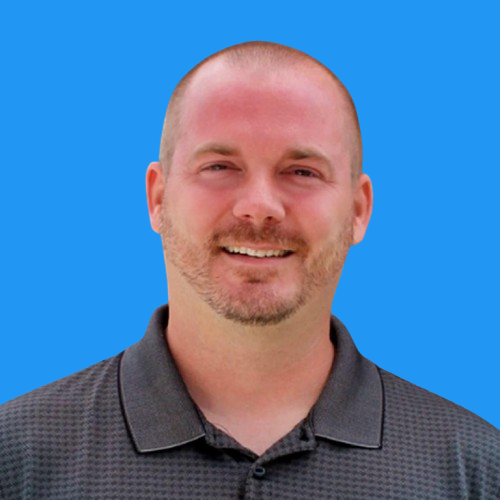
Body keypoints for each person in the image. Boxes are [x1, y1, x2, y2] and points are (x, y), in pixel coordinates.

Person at [1, 41, 499, 499]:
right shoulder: (17, 457)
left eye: (301, 171)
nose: (259, 206)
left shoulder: (473, 468)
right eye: (219, 166)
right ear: (157, 198)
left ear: (358, 210)